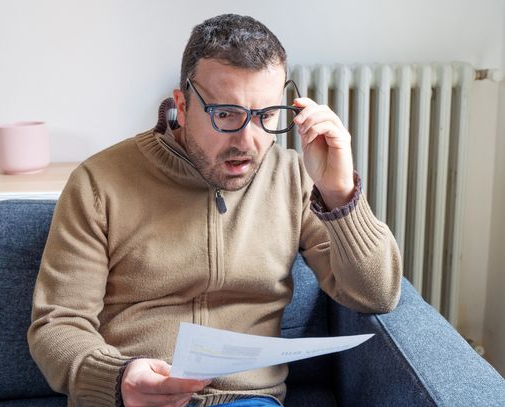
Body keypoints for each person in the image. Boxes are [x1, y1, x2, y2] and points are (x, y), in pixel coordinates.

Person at [28, 13, 402, 407]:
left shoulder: (294, 177)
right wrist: (118, 379)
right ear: (182, 105)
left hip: (248, 400)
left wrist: (339, 194)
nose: (248, 141)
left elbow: (377, 295)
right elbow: (58, 324)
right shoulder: (98, 182)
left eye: (266, 116)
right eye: (225, 114)